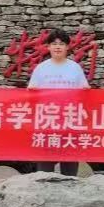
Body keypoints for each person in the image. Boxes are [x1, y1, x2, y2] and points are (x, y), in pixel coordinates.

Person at [28, 28, 89, 176]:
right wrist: (32, 91)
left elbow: (84, 93)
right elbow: (31, 94)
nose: (57, 47)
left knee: (69, 167)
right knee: (45, 168)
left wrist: (86, 90)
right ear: (48, 47)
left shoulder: (75, 68)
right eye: (54, 44)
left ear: (67, 47)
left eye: (61, 44)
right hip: (47, 122)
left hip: (70, 122)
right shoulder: (41, 68)